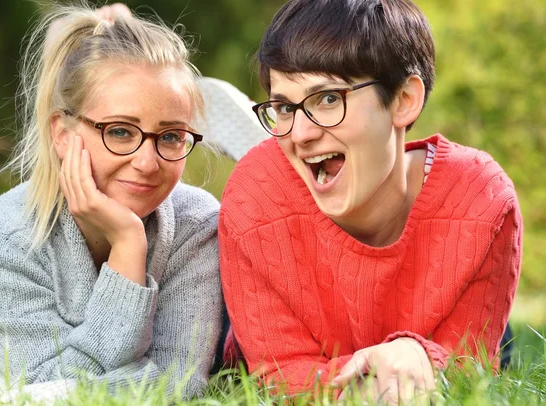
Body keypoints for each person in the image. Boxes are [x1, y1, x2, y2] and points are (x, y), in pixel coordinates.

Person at [218, 0, 522, 403]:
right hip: (278, 281)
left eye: (327, 98)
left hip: (439, 306)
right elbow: (279, 376)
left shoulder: (483, 203)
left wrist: (419, 357)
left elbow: (466, 369)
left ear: (403, 100)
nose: (300, 134)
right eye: (285, 107)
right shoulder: (254, 195)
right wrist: (377, 384)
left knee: (502, 348)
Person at [0, 3, 222, 399]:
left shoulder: (196, 223)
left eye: (171, 136)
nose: (147, 162)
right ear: (62, 133)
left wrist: (127, 241)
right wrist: (129, 250)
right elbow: (32, 388)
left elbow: (181, 381)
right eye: (121, 132)